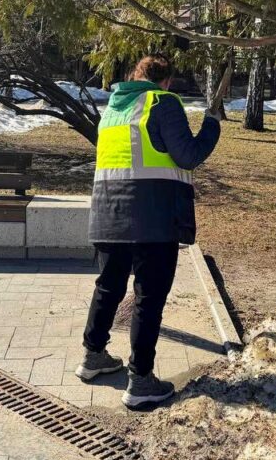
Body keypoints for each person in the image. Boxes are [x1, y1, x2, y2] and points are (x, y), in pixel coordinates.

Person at [76, 53, 222, 410]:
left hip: (108, 215)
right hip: (153, 219)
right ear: (166, 81)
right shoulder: (162, 102)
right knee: (148, 297)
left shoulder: (111, 110)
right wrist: (212, 123)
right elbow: (187, 155)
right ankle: (140, 381)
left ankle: (93, 356)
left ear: (134, 76)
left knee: (108, 286)